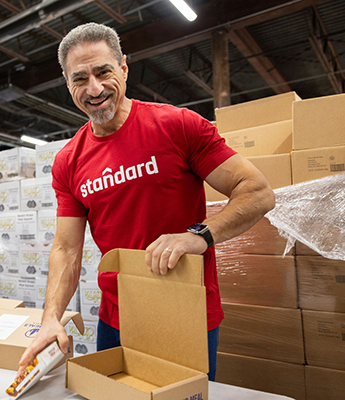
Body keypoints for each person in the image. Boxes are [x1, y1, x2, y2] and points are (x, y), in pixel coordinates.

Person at [18, 23, 275, 381]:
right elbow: (65, 249)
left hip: (186, 312)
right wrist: (50, 318)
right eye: (80, 79)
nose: (94, 89)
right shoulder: (68, 161)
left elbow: (257, 191)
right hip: (116, 318)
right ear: (67, 84)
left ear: (123, 68)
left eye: (103, 72)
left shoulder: (177, 125)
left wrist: (200, 235)